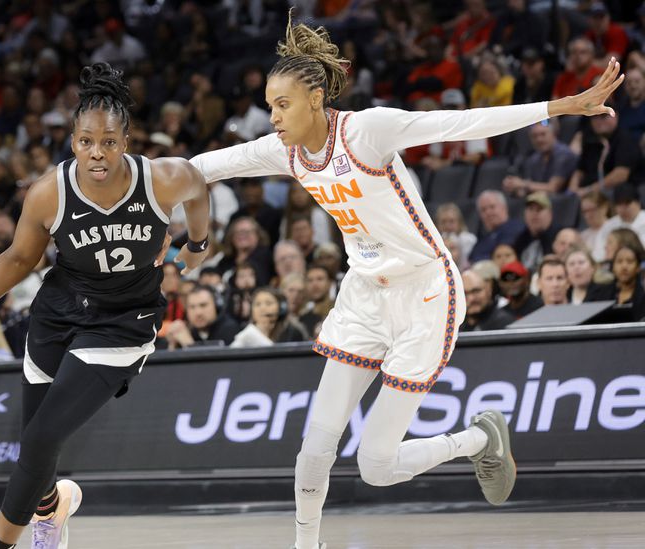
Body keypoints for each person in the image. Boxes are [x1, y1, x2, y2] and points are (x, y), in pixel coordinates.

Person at [189, 13, 624, 549]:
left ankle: (477, 439)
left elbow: (463, 123)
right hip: (364, 295)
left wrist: (561, 106)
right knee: (313, 451)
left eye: (282, 105)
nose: (272, 117)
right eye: (271, 106)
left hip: (424, 291)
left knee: (376, 465)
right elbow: (203, 166)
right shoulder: (285, 152)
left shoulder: (367, 132)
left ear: (317, 98)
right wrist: (131, 180)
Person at [0, 63, 211, 549]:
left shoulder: (164, 179)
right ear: (73, 142)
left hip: (123, 322)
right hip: (58, 311)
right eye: (87, 141)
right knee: (34, 443)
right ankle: (53, 509)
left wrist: (197, 242)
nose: (97, 152)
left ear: (126, 141)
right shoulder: (50, 191)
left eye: (109, 142)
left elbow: (199, 189)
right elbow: (19, 258)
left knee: (40, 440)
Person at [230, 287, 307, 347]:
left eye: (268, 303)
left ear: (282, 308)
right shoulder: (246, 332)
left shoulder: (292, 332)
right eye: (257, 304)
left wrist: (257, 334)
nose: (262, 308)